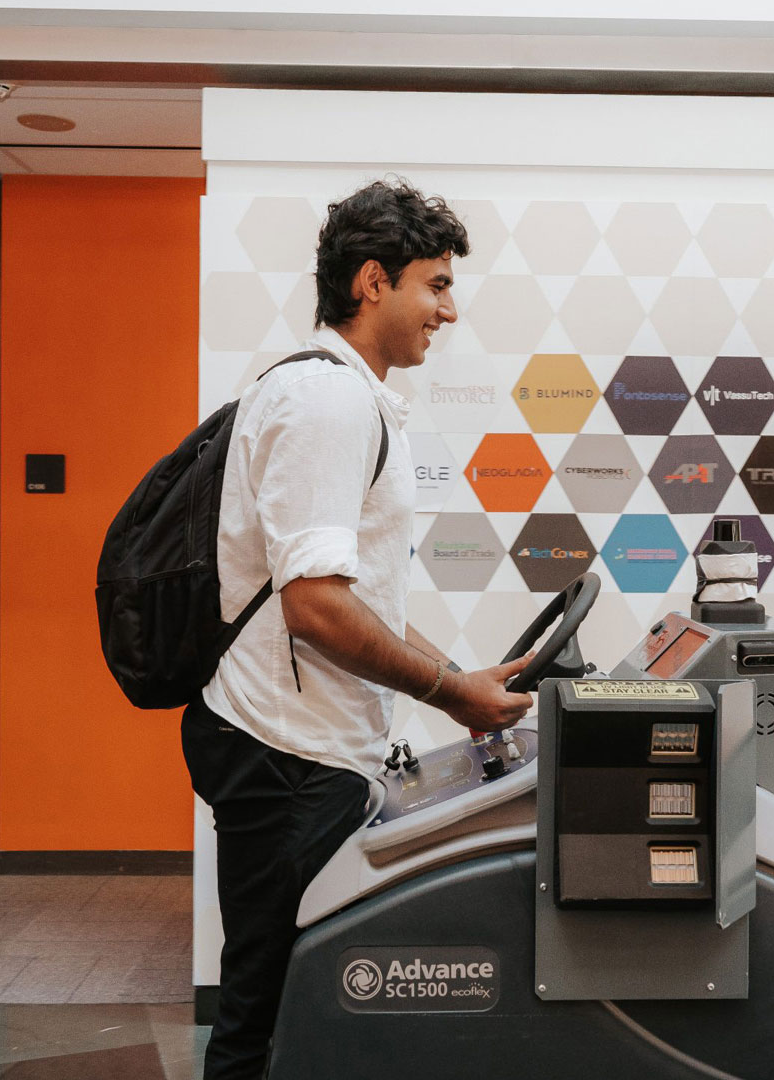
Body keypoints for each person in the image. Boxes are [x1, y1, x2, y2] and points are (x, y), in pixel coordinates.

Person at [186, 177, 535, 1080]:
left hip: (304, 750)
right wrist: (450, 689)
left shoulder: (342, 398)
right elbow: (316, 608)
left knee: (291, 999)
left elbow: (355, 602)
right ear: (372, 281)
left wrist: (461, 684)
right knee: (266, 1012)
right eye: (436, 285)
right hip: (287, 752)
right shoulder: (329, 404)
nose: (448, 310)